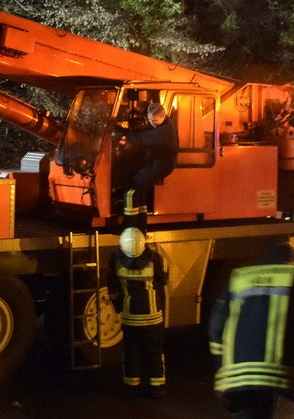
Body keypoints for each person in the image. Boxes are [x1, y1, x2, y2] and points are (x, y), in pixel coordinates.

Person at [208, 242, 294, 419]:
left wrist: (223, 365)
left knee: (253, 410)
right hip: (287, 367)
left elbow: (216, 327)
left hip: (239, 373)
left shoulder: (239, 276)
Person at [107, 226, 169, 398]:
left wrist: (117, 307)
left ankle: (131, 386)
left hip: (130, 317)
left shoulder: (115, 260)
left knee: (131, 352)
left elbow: (112, 288)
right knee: (154, 352)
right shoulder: (155, 259)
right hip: (152, 318)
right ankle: (157, 388)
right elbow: (164, 278)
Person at [114, 102, 178, 226]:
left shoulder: (165, 130)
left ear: (163, 115)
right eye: (150, 120)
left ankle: (129, 225)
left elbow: (141, 138)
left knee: (131, 190)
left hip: (161, 165)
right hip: (155, 162)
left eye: (154, 121)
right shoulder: (161, 124)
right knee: (141, 190)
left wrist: (120, 129)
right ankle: (141, 225)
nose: (152, 123)